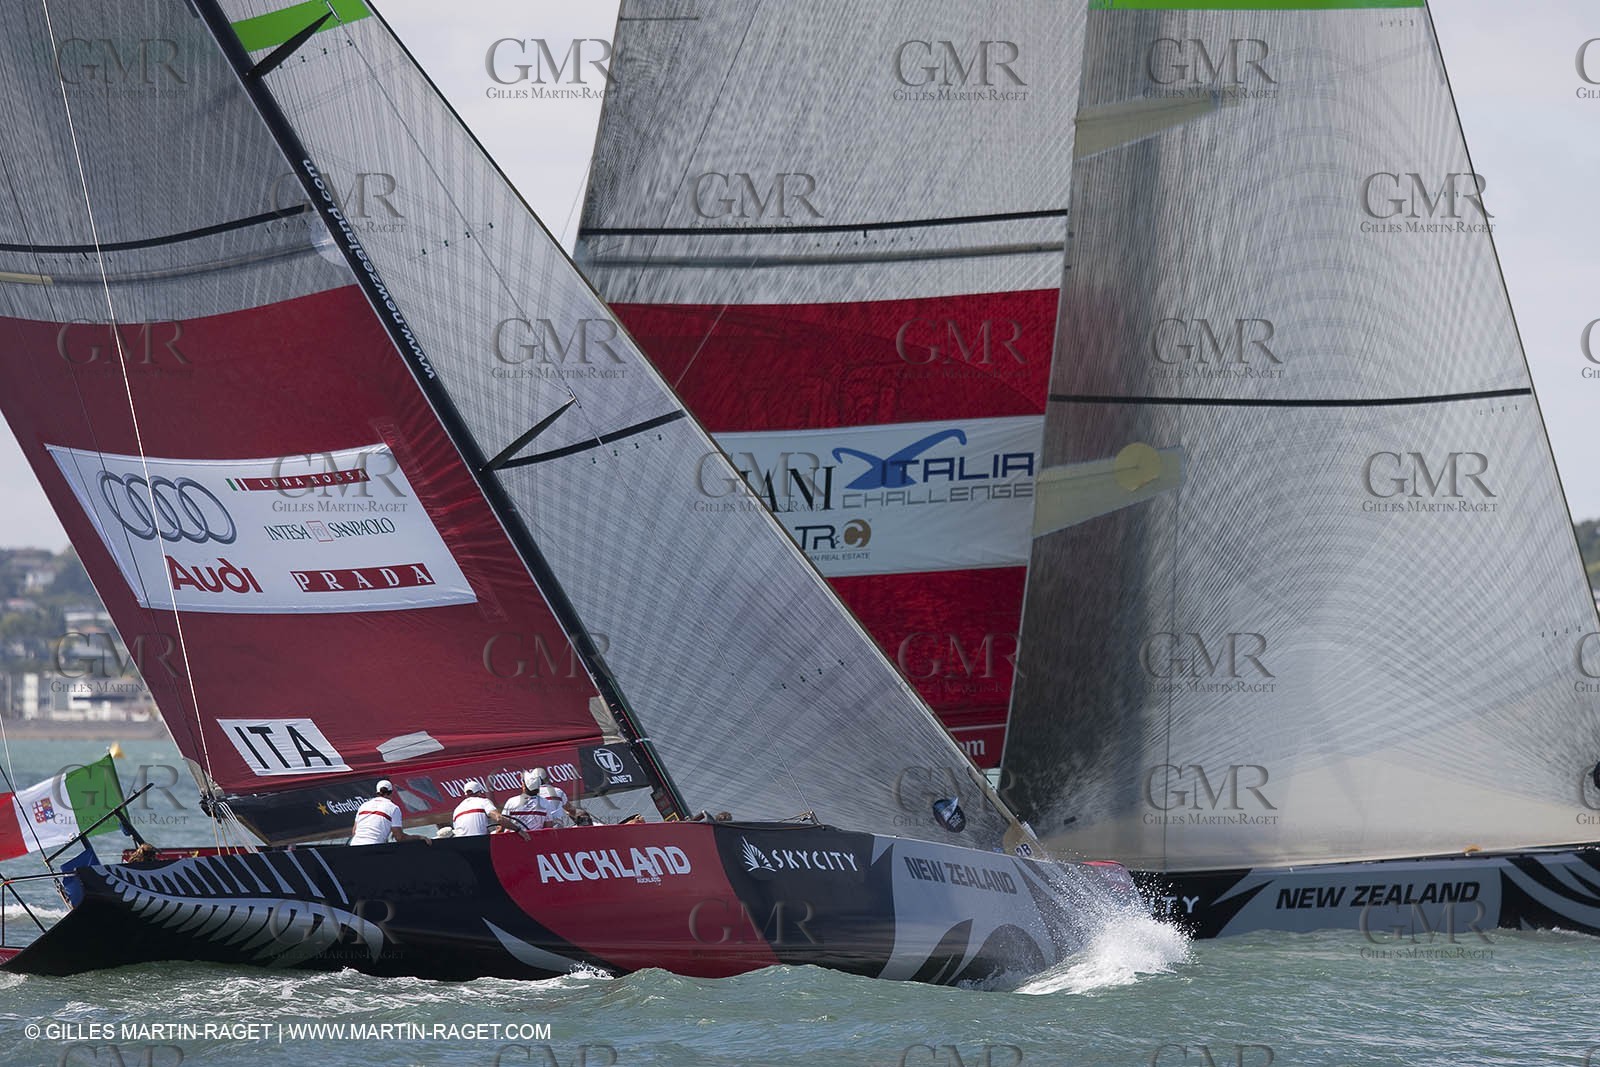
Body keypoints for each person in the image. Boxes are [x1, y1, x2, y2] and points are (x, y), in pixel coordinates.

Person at [451, 780, 528, 838]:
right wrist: (519, 830)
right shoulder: (483, 802)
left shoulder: (456, 809)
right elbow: (499, 819)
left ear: (465, 794)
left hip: (461, 846)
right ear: (479, 793)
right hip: (480, 844)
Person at [350, 780, 408, 845]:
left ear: (377, 792)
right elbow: (399, 838)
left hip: (354, 846)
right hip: (374, 849)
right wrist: (418, 837)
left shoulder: (364, 805)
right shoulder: (394, 808)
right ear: (391, 792)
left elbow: (354, 832)